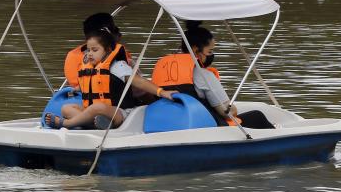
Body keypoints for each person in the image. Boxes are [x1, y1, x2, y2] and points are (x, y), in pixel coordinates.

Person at [151, 21, 275, 129]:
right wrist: (234, 109)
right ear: (195, 49)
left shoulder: (160, 68)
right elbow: (226, 113)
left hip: (169, 123)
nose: (211, 55)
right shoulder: (204, 75)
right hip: (203, 126)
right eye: (209, 51)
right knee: (257, 116)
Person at [45, 28, 176, 129]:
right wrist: (77, 89)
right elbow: (89, 86)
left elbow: (139, 81)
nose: (90, 54)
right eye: (88, 50)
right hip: (97, 112)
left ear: (107, 50)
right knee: (66, 108)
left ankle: (68, 123)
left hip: (120, 113)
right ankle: (96, 124)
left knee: (95, 108)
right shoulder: (91, 68)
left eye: (94, 50)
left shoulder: (117, 66)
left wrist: (162, 92)